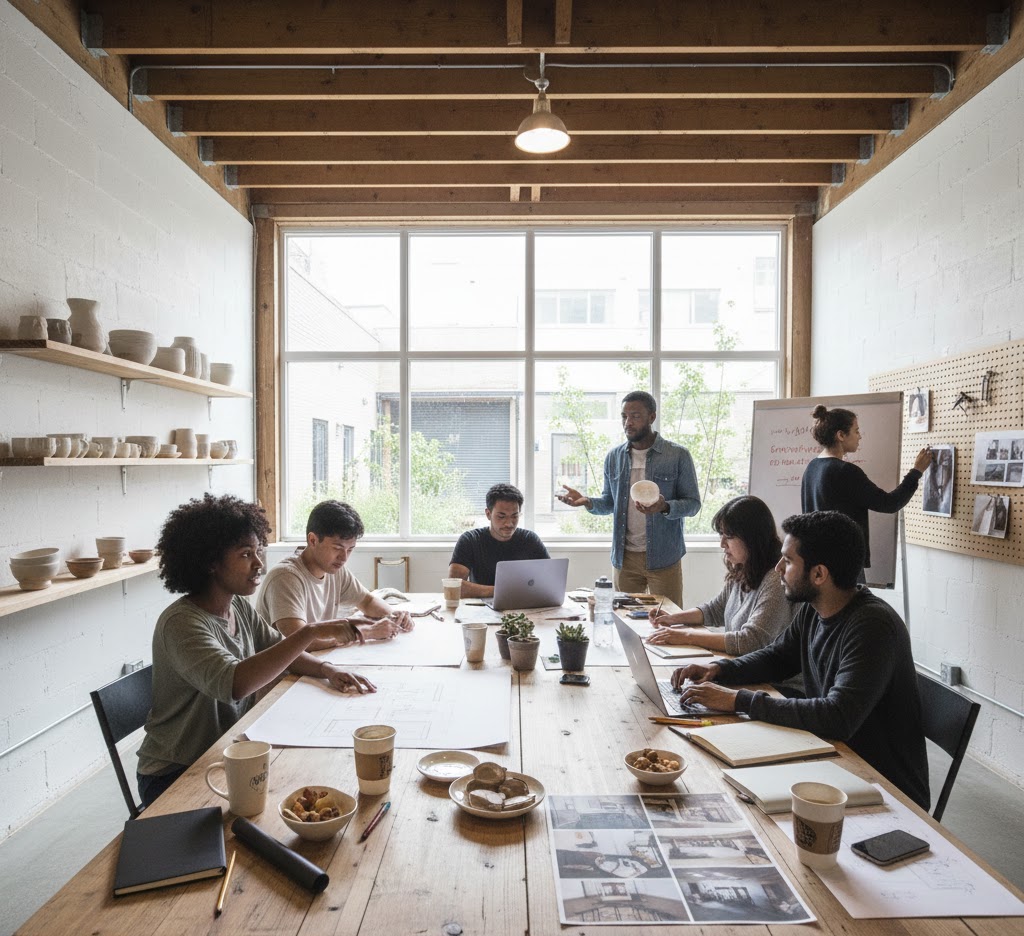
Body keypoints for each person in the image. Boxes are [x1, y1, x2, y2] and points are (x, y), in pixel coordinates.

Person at [669, 510, 930, 810]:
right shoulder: (814, 608)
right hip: (829, 757)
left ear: (819, 574)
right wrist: (719, 669)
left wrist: (738, 701)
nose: (778, 568)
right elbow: (778, 657)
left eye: (788, 561)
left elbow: (838, 716)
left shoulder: (872, 627)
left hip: (879, 786)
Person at [137, 494, 376, 809]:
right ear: (210, 561)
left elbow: (280, 648)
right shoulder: (181, 623)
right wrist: (312, 632)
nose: (259, 563)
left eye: (258, 551)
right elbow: (235, 684)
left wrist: (327, 670)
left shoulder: (235, 605)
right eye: (246, 554)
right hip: (176, 771)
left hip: (225, 750)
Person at [558, 391, 700, 607]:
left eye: (635, 416)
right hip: (624, 558)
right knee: (624, 620)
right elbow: (609, 503)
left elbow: (693, 504)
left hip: (664, 556)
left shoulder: (677, 455)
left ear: (652, 417)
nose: (628, 422)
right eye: (624, 416)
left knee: (669, 620)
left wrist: (665, 507)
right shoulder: (614, 457)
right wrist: (587, 501)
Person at [645, 495, 795, 656]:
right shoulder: (743, 567)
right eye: (721, 535)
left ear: (752, 538)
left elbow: (749, 641)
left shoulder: (775, 580)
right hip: (742, 667)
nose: (722, 544)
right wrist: (673, 619)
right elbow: (715, 610)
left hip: (772, 681)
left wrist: (685, 636)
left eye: (729, 537)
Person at [256, 500, 413, 651]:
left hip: (318, 660)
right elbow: (300, 642)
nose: (344, 558)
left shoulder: (334, 570)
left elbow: (367, 600)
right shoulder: (286, 578)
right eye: (337, 548)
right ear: (312, 540)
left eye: (350, 549)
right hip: (285, 675)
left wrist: (393, 616)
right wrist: (367, 632)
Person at [801, 404, 931, 577]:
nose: (860, 436)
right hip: (844, 565)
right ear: (840, 435)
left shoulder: (812, 467)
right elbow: (889, 503)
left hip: (818, 563)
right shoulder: (845, 471)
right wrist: (916, 472)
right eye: (856, 431)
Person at [448, 483, 549, 598]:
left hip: (522, 607)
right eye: (501, 516)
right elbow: (453, 586)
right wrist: (503, 591)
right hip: (480, 610)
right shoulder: (470, 540)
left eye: (514, 516)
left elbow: (550, 582)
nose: (509, 523)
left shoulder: (530, 539)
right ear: (488, 514)